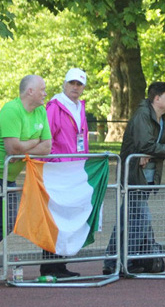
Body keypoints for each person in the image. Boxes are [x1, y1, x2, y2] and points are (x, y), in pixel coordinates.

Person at [103, 82, 165, 274]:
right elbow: (147, 144)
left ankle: (115, 262)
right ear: (156, 98)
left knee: (128, 219)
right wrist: (157, 151)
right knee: (140, 219)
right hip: (134, 175)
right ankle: (122, 261)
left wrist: (153, 153)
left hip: (149, 175)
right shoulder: (142, 115)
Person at [39, 68, 89, 278]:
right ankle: (50, 266)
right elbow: (46, 137)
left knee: (67, 216)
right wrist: (54, 161)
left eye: (79, 84)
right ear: (64, 84)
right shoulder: (54, 107)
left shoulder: (79, 107)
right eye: (72, 83)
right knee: (55, 217)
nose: (75, 87)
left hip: (74, 170)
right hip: (57, 169)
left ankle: (60, 265)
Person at [0, 75, 52, 243]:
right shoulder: (11, 110)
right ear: (30, 91)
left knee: (8, 224)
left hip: (9, 178)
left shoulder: (41, 111)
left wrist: (22, 152)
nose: (45, 93)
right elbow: (12, 148)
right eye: (42, 89)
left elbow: (47, 148)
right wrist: (35, 141)